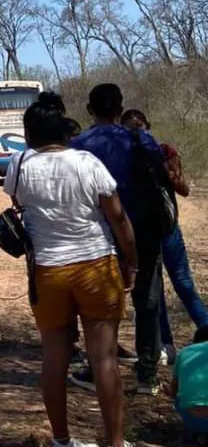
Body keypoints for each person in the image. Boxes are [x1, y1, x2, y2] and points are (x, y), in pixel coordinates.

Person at [4, 92, 155, 447]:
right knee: (103, 359)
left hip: (48, 274)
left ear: (30, 133)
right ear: (64, 129)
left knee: (53, 360)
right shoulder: (87, 163)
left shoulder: (18, 165)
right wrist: (131, 263)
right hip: (94, 266)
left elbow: (21, 206)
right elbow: (118, 219)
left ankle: (61, 446)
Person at [69, 84, 167, 395]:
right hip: (143, 231)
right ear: (120, 107)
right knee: (148, 300)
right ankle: (147, 375)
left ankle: (99, 369)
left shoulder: (77, 146)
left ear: (89, 109)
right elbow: (163, 173)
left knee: (100, 307)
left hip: (98, 236)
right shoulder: (140, 138)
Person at [121, 109, 208, 364]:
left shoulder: (164, 152)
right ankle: (165, 345)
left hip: (167, 230)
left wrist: (168, 173)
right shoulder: (123, 159)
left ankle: (205, 330)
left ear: (148, 126)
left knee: (183, 283)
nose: (136, 132)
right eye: (129, 128)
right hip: (141, 234)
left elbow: (184, 189)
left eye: (139, 126)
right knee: (153, 292)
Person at [164, 325, 208, 443]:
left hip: (193, 419)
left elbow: (174, 391)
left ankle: (199, 433)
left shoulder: (184, 352)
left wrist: (168, 391)